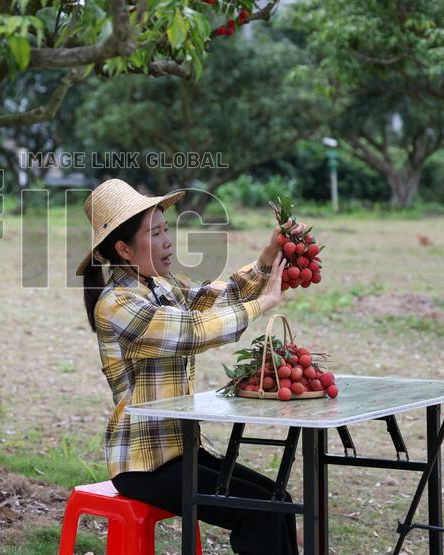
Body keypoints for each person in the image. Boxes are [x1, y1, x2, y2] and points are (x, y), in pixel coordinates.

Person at [77, 178, 304, 555]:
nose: (168, 241)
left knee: (277, 498)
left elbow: (218, 296)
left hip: (181, 451)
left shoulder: (164, 285)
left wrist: (267, 259)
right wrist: (262, 304)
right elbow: (192, 332)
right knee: (257, 512)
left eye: (167, 229)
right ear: (123, 248)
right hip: (144, 466)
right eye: (155, 233)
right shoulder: (116, 304)